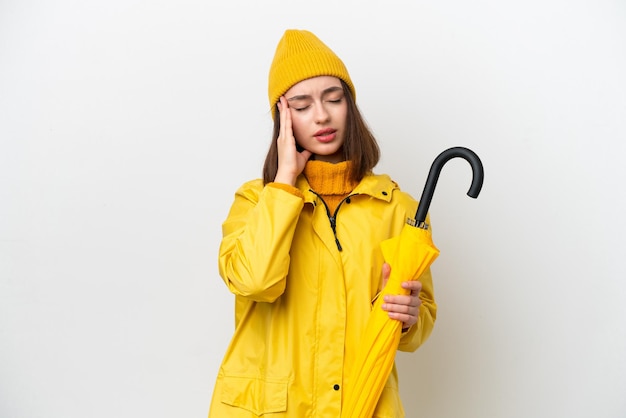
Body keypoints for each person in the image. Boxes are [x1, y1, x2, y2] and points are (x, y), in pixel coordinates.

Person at [208, 29, 436, 418]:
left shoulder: (399, 208)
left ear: (351, 106)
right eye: (301, 104)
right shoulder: (254, 201)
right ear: (283, 117)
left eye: (334, 99)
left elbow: (421, 317)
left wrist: (411, 317)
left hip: (362, 404)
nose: (322, 115)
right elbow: (255, 281)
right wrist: (283, 185)